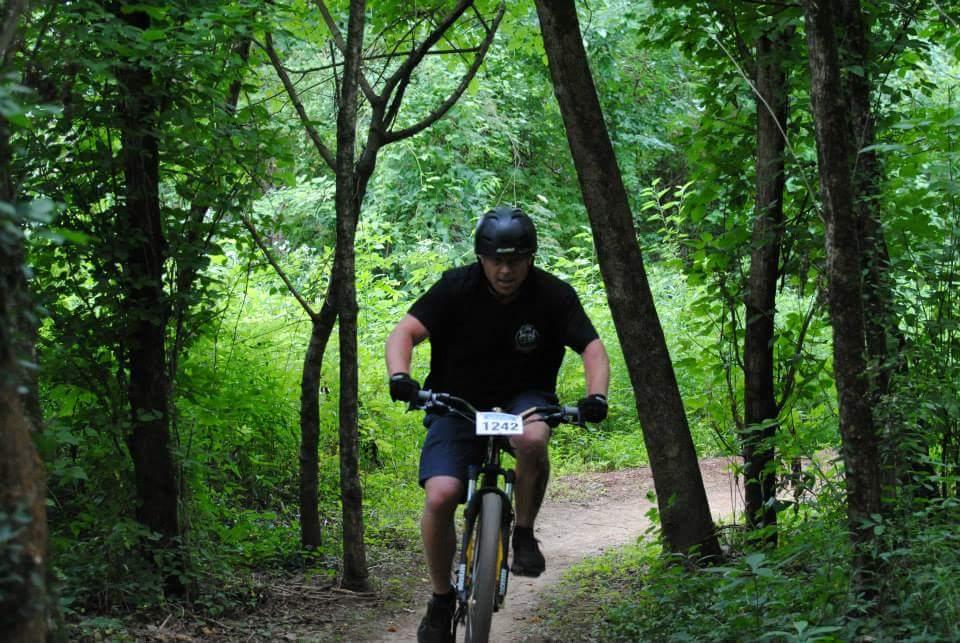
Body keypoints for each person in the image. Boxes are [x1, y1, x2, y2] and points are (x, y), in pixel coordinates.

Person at [385, 205, 610, 643]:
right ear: (481, 258)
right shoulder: (456, 287)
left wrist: (596, 396)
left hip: (523, 400)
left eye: (516, 260)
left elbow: (593, 348)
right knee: (442, 494)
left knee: (531, 439)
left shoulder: (553, 295)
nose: (506, 270)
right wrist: (401, 376)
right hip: (457, 400)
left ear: (530, 257)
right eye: (496, 260)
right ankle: (440, 598)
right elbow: (405, 332)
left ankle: (523, 533)